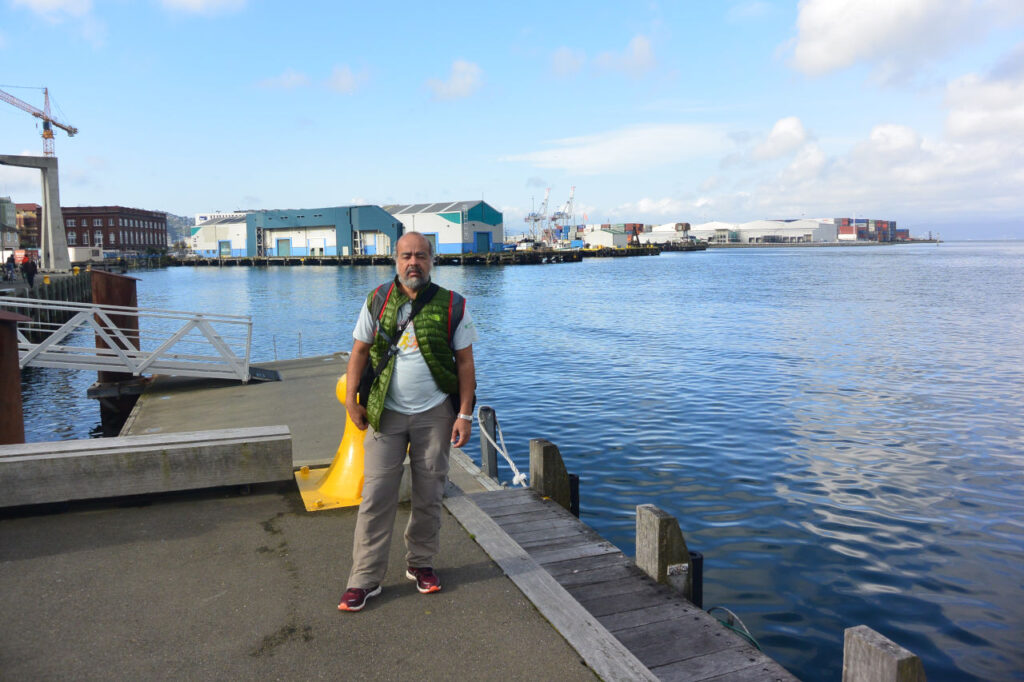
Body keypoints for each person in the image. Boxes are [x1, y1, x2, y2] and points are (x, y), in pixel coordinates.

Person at [339, 231, 478, 613]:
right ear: (395, 261)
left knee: (429, 493)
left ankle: (421, 564)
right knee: (376, 497)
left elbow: (465, 363)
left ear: (432, 260)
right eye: (405, 256)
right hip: (385, 412)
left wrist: (464, 415)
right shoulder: (378, 301)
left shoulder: (453, 305)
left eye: (420, 255)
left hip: (435, 413)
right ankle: (364, 580)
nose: (412, 262)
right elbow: (360, 352)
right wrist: (351, 401)